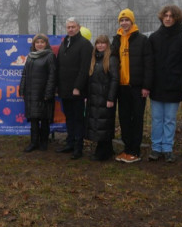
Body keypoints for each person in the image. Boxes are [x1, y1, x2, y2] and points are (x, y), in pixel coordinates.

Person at [148, 5, 182, 163]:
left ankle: (167, 148)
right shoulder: (154, 37)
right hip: (156, 85)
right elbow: (149, 62)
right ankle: (156, 148)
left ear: (177, 18)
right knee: (156, 119)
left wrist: (181, 75)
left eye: (171, 16)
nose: (168, 18)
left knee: (169, 119)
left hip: (174, 85)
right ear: (162, 17)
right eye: (166, 16)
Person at [111, 8, 153, 163]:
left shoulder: (142, 39)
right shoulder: (116, 39)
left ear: (132, 21)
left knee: (136, 118)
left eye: (127, 20)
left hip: (137, 87)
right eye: (121, 20)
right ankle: (127, 149)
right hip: (121, 87)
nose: (124, 23)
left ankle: (135, 151)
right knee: (124, 119)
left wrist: (146, 86)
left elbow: (149, 65)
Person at [55, 17, 93, 160]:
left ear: (79, 27)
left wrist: (77, 87)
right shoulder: (65, 42)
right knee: (69, 117)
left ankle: (78, 147)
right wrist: (58, 86)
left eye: (73, 27)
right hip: (64, 89)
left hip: (77, 90)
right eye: (68, 27)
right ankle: (69, 143)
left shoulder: (85, 45)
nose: (71, 29)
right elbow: (59, 65)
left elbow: (85, 68)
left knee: (78, 119)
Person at [19, 34, 57, 152]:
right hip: (31, 93)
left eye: (42, 42)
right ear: (34, 44)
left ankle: (44, 142)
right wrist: (22, 88)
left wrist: (48, 92)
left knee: (44, 118)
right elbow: (24, 74)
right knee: (34, 118)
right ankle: (33, 142)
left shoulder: (50, 56)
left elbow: (52, 75)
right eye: (37, 42)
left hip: (43, 93)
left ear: (46, 44)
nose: (39, 44)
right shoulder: (30, 56)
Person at [85, 35, 119, 161]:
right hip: (94, 98)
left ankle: (102, 152)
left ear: (107, 44)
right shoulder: (94, 59)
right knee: (98, 124)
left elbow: (115, 79)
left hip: (105, 98)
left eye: (103, 43)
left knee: (105, 124)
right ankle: (107, 149)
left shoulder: (111, 58)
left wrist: (111, 98)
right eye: (98, 43)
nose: (100, 45)